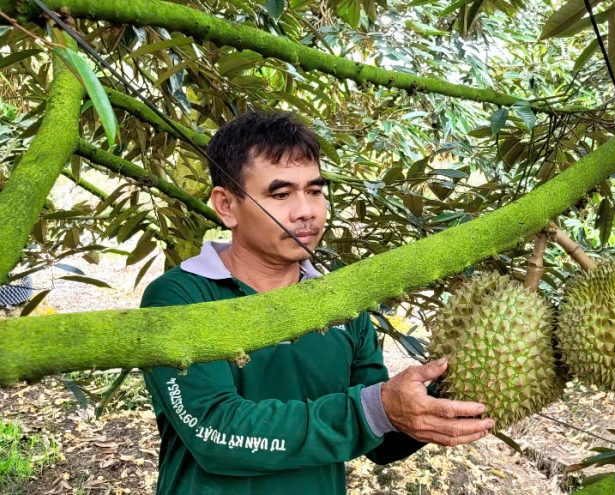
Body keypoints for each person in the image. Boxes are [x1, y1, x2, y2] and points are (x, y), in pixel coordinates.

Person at [140, 111, 495, 495]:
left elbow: (379, 437)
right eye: (280, 194)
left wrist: (441, 398)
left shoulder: (342, 306)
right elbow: (217, 434)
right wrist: (374, 409)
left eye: (314, 190)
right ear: (226, 206)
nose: (306, 210)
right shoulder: (181, 298)